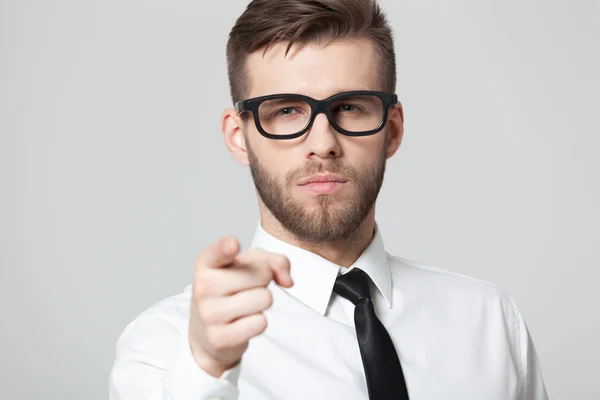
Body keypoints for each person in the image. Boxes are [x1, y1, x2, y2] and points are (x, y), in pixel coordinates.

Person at [108, 0, 549, 399]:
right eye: (285, 110)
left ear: (391, 129)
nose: (323, 143)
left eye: (351, 107)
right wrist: (206, 368)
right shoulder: (166, 349)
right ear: (238, 138)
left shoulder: (490, 321)